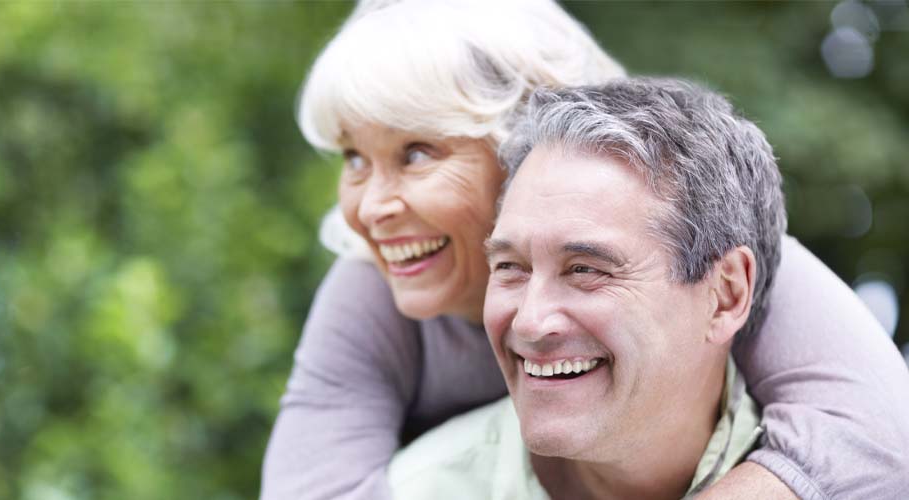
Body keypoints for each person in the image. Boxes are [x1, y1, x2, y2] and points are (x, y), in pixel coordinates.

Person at [261, 1, 909, 499]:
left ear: (524, 144)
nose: (371, 207)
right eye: (353, 158)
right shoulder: (368, 292)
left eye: (417, 153)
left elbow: (882, 433)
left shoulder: (708, 244)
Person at [389, 78, 784, 499]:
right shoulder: (415, 489)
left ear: (725, 296)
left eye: (584, 270)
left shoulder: (833, 476)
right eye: (510, 267)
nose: (529, 322)